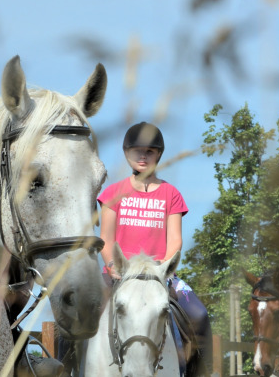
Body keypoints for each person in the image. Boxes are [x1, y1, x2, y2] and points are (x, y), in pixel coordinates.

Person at [98, 122, 213, 376]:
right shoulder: (112, 194)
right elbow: (105, 240)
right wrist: (114, 268)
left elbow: (175, 241)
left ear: (158, 155)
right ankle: (68, 368)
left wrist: (163, 271)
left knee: (200, 315)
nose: (143, 156)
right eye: (137, 150)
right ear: (126, 153)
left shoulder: (171, 195)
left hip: (160, 275)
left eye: (149, 151)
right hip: (118, 273)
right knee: (79, 314)